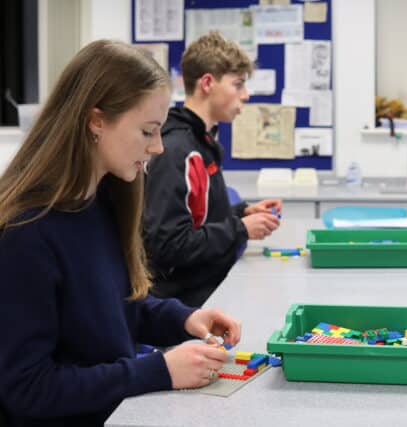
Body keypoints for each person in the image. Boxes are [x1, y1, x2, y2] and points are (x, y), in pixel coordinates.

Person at [0, 40, 242, 427]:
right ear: (96, 121)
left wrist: (183, 319)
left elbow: (112, 309)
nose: (159, 147)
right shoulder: (26, 233)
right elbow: (28, 389)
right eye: (147, 131)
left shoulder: (102, 201)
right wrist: (157, 370)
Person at [143, 31, 281, 308]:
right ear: (207, 83)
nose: (246, 95)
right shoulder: (176, 150)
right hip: (184, 304)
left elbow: (195, 217)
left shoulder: (202, 141)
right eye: (238, 84)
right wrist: (240, 229)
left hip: (211, 287)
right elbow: (167, 245)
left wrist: (241, 213)